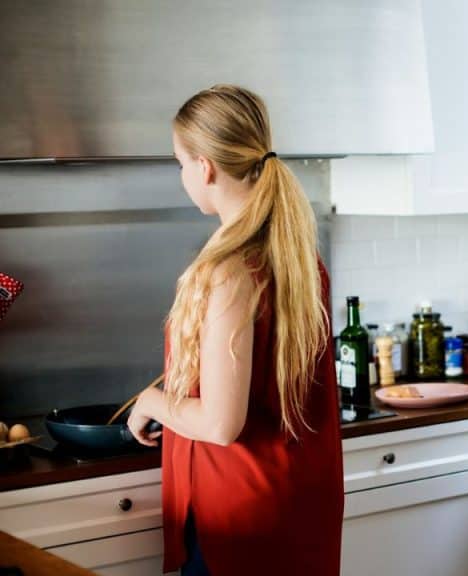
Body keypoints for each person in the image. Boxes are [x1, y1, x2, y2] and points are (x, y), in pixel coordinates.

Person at [127, 85, 343, 576]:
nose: (182, 175)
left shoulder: (231, 271)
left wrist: (150, 401)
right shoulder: (299, 259)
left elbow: (222, 424)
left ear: (204, 167)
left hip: (241, 522)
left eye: (180, 163)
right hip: (298, 507)